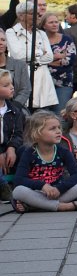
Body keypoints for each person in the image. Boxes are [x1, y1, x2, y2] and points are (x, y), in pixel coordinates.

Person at [10, 110, 77, 213]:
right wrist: (42, 186)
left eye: (59, 127)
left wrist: (59, 188)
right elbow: (19, 179)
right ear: (37, 133)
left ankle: (33, 206)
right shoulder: (29, 153)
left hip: (57, 192)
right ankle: (65, 206)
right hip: (36, 192)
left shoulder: (63, 152)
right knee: (18, 191)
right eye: (52, 129)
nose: (58, 131)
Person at [6, 1, 58, 110]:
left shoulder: (41, 33)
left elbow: (49, 56)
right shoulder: (11, 32)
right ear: (21, 16)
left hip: (43, 77)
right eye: (32, 13)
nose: (37, 16)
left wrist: (33, 58)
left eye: (38, 14)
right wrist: (39, 52)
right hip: (25, 74)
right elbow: (18, 55)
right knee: (25, 111)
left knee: (43, 112)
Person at [41, 12, 75, 110]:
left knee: (60, 112)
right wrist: (57, 57)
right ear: (44, 25)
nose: (55, 24)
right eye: (51, 22)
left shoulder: (67, 39)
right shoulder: (39, 40)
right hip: (43, 82)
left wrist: (47, 60)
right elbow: (37, 59)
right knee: (44, 113)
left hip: (63, 83)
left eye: (56, 22)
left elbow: (70, 60)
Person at [0, 69, 25, 197]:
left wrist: (11, 148)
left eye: (11, 84)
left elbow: (17, 133)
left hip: (9, 147)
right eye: (6, 85)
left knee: (26, 150)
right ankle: (3, 186)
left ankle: (21, 186)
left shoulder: (15, 109)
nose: (12, 87)